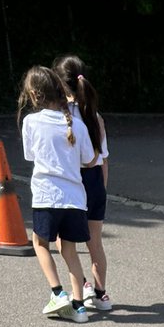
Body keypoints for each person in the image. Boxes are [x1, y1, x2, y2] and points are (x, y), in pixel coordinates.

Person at [18, 65, 96, 322]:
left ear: (34, 94)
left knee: (40, 243)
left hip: (46, 195)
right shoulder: (76, 123)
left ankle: (57, 292)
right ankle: (79, 307)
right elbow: (88, 159)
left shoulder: (31, 121)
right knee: (70, 251)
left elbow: (30, 155)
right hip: (75, 198)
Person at [53, 55, 112, 312]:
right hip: (94, 181)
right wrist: (102, 189)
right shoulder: (94, 115)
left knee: (63, 240)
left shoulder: (57, 117)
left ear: (58, 82)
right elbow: (103, 160)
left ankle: (82, 286)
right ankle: (101, 294)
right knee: (95, 242)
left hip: (70, 181)